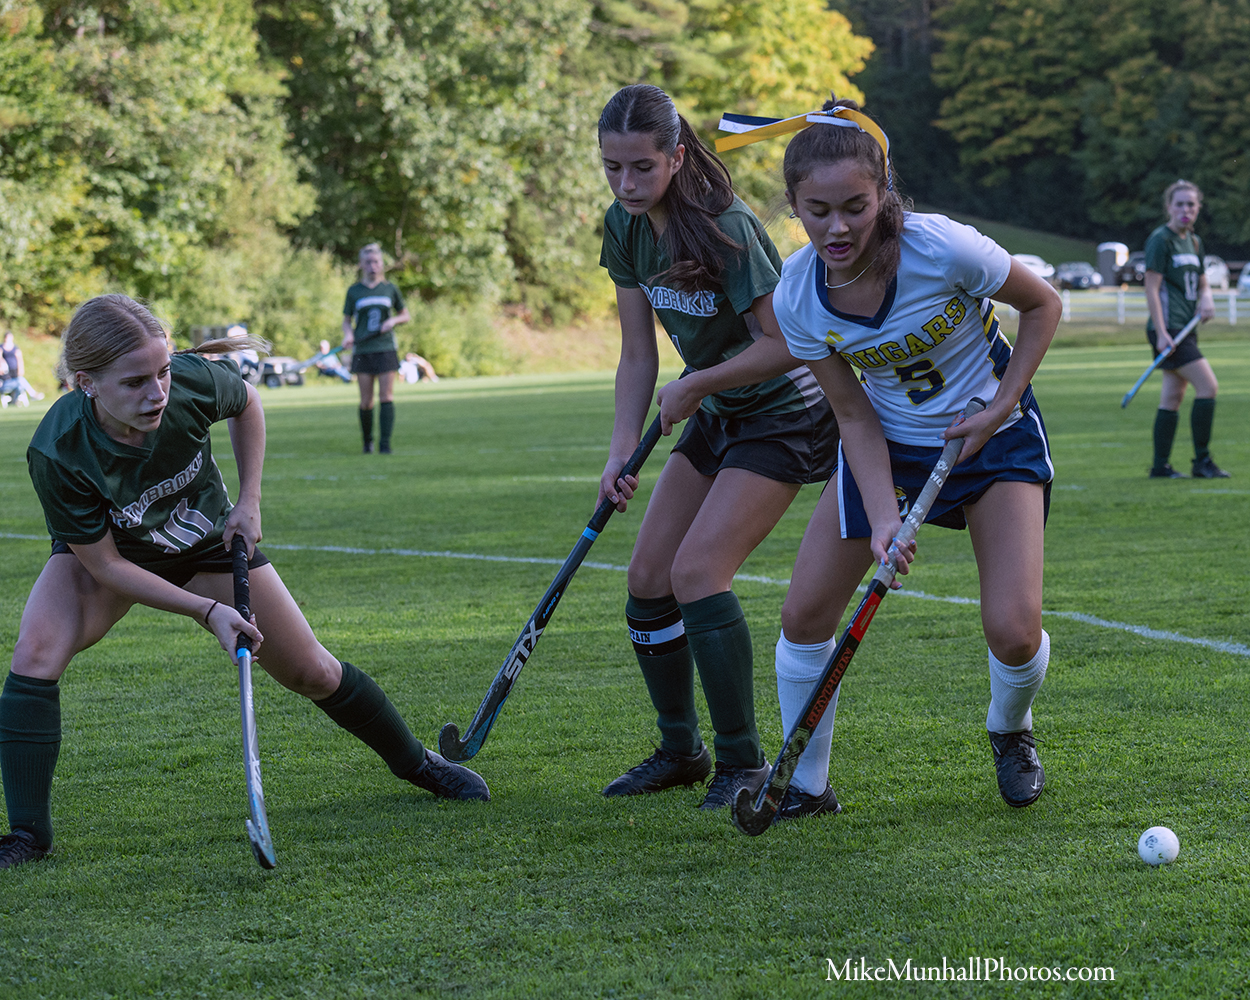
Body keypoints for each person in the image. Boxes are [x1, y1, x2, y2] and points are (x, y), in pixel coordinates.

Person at [0, 295, 488, 871]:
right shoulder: (58, 449)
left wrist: (249, 499)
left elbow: (248, 402)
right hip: (114, 556)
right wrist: (206, 612)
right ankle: (28, 834)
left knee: (313, 671)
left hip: (208, 543)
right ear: (86, 383)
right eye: (134, 383)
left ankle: (418, 763)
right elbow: (105, 566)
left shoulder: (190, 382)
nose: (157, 393)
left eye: (162, 372)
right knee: (35, 654)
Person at [723, 96, 1061, 818]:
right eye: (817, 211)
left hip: (993, 436)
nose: (837, 228)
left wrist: (1001, 404)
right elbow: (851, 413)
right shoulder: (798, 297)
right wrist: (883, 518)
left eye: (855, 207)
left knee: (1013, 630)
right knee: (804, 614)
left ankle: (1010, 729)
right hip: (889, 444)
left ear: (883, 193)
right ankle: (806, 787)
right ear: (794, 205)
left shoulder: (943, 249)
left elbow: (1043, 305)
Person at [595, 84, 839, 811]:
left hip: (786, 413)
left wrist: (698, 383)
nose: (626, 183)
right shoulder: (624, 226)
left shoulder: (724, 225)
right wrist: (619, 451)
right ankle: (681, 751)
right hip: (719, 406)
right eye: (612, 167)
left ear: (676, 157)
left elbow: (787, 345)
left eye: (642, 167)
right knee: (648, 577)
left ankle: (742, 762)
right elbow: (637, 352)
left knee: (698, 572)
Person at [1143, 180, 1225, 479]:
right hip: (1168, 329)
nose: (1185, 210)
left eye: (1191, 204)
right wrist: (1161, 332)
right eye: (1179, 204)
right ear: (1169, 207)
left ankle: (1160, 467)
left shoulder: (1194, 242)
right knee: (1208, 387)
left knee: (1172, 397)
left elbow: (1202, 283)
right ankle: (1202, 461)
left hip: (1186, 328)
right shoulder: (1160, 240)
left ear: (1198, 208)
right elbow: (1152, 289)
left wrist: (1207, 298)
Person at [342, 244, 410, 453]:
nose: (372, 266)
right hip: (363, 350)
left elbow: (405, 315)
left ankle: (385, 444)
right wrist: (348, 335)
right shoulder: (354, 291)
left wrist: (393, 321)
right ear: (361, 264)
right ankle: (367, 442)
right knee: (366, 401)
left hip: (385, 347)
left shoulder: (390, 289)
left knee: (386, 397)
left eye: (376, 262)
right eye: (368, 262)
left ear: (382, 264)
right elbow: (346, 320)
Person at [1, 331, 41, 406]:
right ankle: (32, 394)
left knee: (20, 381)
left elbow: (19, 358)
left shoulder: (15, 348)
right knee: (21, 381)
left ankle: (15, 400)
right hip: (5, 381)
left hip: (13, 374)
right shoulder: (1, 348)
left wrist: (21, 368)